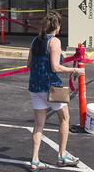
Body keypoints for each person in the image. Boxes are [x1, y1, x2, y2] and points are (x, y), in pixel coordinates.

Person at [27, 11, 85, 170]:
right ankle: (61, 155)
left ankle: (34, 160)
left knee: (39, 125)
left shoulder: (35, 41)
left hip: (35, 87)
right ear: (57, 26)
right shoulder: (54, 42)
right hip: (52, 86)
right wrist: (75, 71)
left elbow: (29, 65)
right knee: (65, 119)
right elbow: (55, 67)